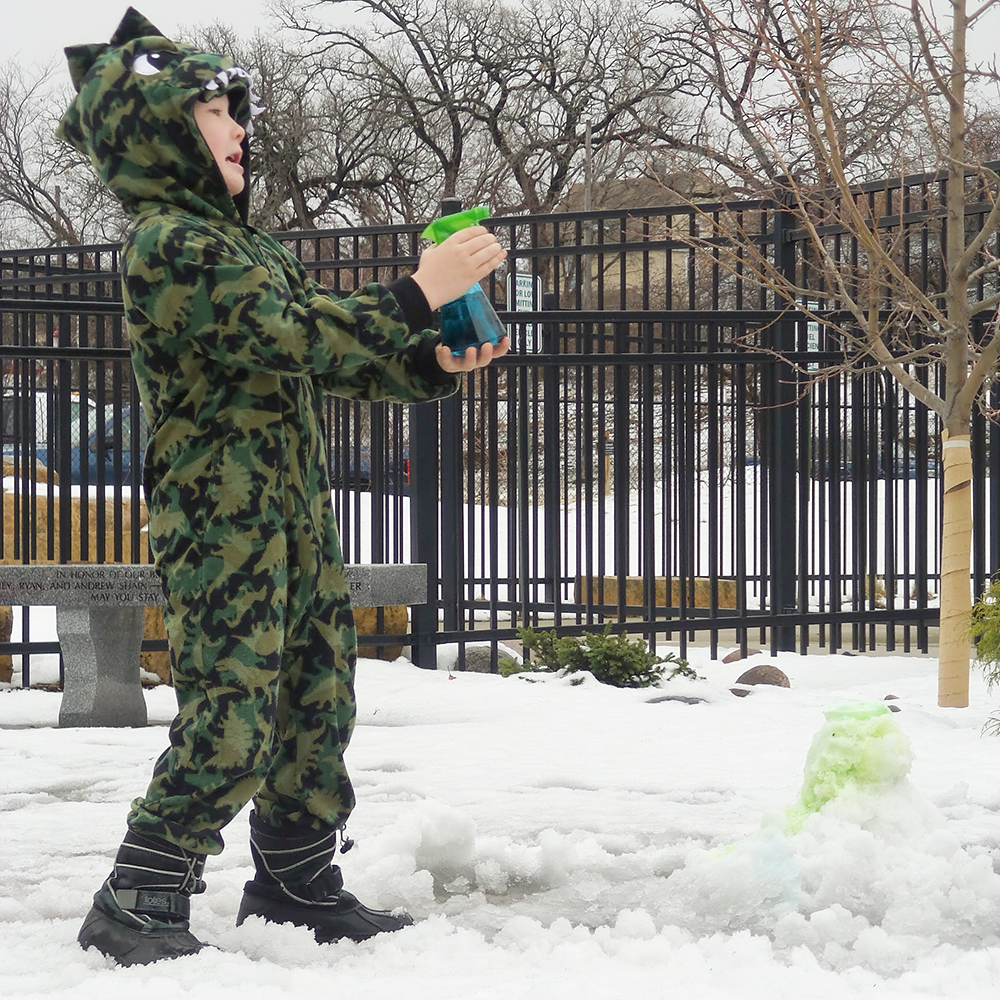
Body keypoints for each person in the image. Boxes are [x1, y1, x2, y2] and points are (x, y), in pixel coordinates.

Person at [56, 7, 508, 967]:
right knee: (235, 709)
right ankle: (138, 896)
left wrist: (430, 362)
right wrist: (416, 292)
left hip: (294, 519)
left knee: (315, 698)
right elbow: (285, 335)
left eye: (233, 108)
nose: (238, 127)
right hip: (222, 526)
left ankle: (295, 879)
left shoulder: (246, 247)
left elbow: (325, 355)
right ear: (160, 132)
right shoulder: (166, 245)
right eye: (215, 111)